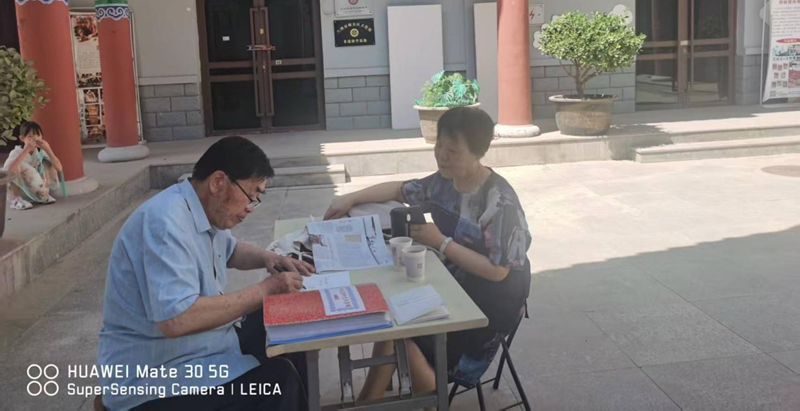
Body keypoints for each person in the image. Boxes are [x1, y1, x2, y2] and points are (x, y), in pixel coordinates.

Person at [325, 106, 531, 400]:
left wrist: (442, 242)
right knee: (390, 317)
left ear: (478, 153)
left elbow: (499, 271)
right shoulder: (444, 181)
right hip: (454, 281)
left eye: (453, 151)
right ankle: (374, 400)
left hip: (492, 300)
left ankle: (425, 398)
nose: (442, 156)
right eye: (439, 146)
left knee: (399, 332)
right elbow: (400, 190)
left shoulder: (499, 201)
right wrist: (350, 198)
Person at [97, 136, 314, 411]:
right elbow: (177, 319)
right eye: (251, 195)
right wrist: (266, 289)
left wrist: (271, 258)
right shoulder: (165, 223)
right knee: (279, 382)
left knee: (287, 325)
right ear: (218, 182)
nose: (250, 208)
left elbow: (231, 251)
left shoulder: (200, 209)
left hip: (199, 347)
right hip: (157, 375)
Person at [2, 121, 62, 210]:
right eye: (30, 136)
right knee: (17, 165)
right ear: (22, 138)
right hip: (21, 190)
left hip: (37, 189)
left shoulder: (40, 151)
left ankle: (42, 195)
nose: (35, 138)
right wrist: (26, 150)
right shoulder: (16, 152)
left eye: (38, 135)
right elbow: (8, 171)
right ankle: (15, 200)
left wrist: (48, 150)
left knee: (49, 162)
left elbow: (59, 168)